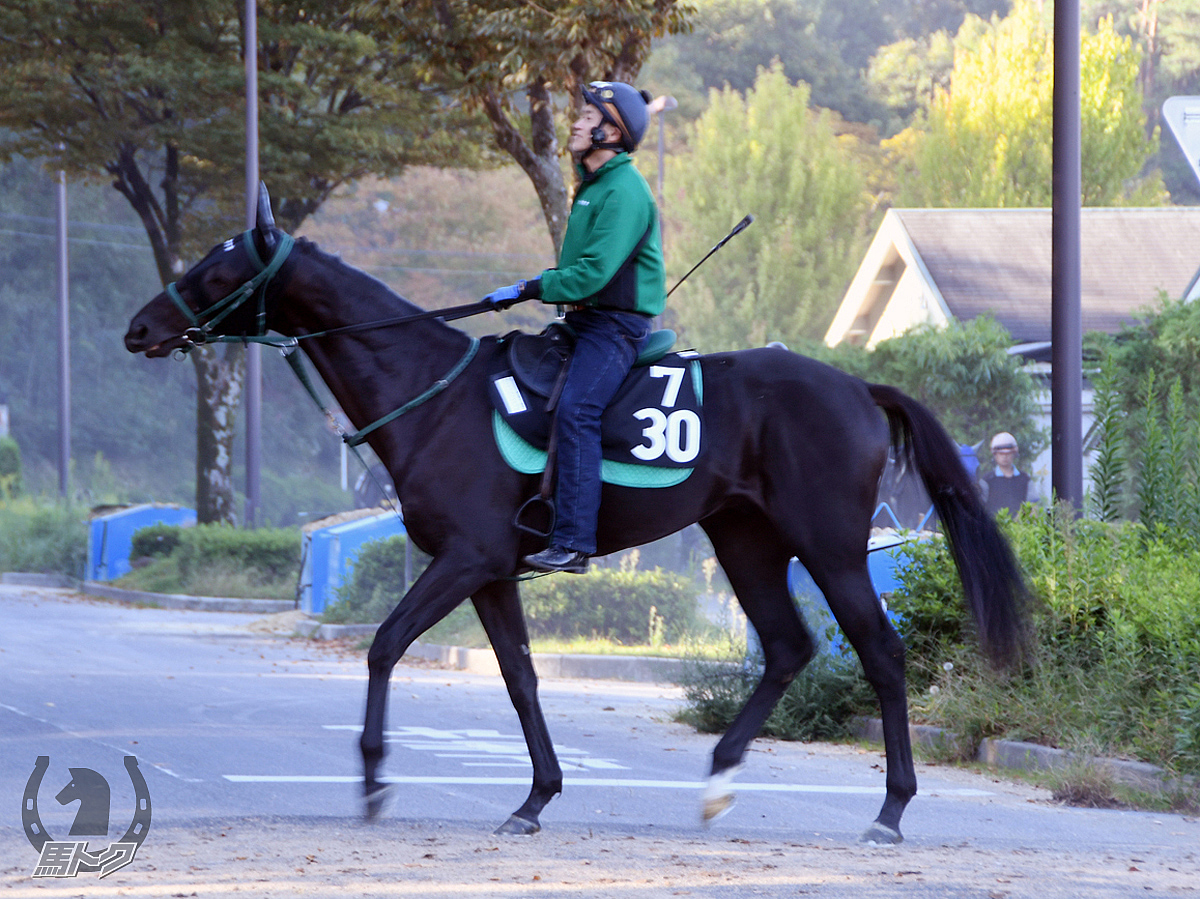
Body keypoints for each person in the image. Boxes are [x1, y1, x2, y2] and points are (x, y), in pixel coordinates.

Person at [483, 81, 666, 574]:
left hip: (614, 330)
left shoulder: (625, 190)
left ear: (612, 131)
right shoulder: (593, 187)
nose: (577, 122)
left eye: (588, 116)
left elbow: (592, 274)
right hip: (584, 323)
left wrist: (529, 287)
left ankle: (574, 543)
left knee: (577, 409)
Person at [978, 432, 1040, 516]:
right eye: (1001, 454)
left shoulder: (1025, 479)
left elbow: (1033, 507)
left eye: (1008, 453)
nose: (1005, 457)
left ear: (1014, 454)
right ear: (994, 455)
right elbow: (980, 508)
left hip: (1021, 527)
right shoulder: (987, 480)